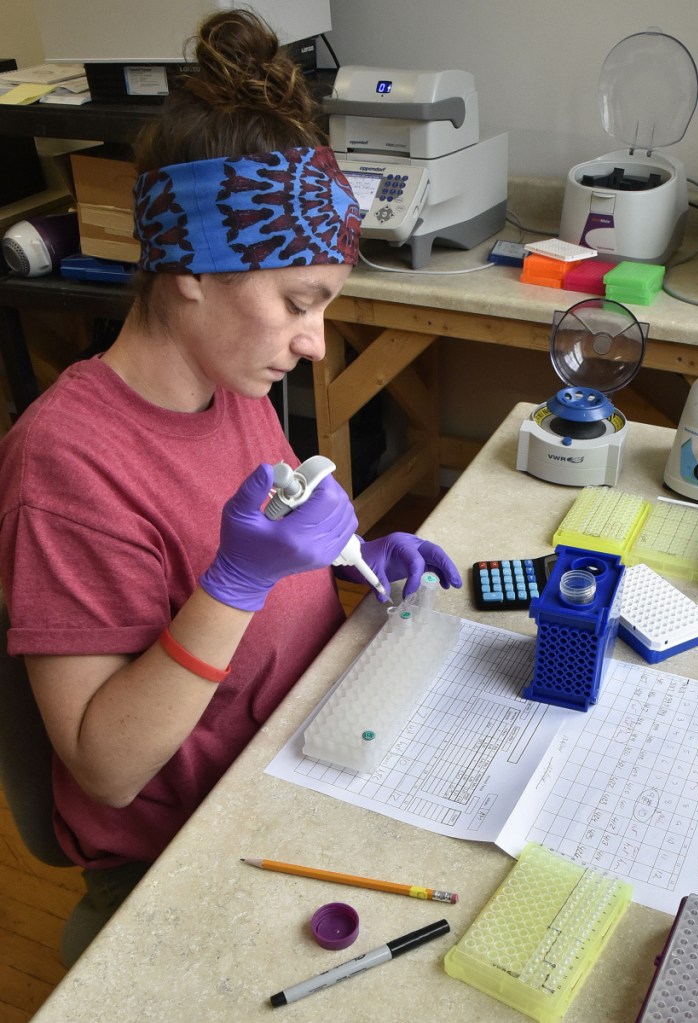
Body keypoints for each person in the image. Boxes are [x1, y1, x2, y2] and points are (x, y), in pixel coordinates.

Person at [0, 9, 460, 963]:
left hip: (294, 752)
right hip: (186, 847)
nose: (314, 341)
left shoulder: (230, 382)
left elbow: (269, 530)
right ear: (191, 273)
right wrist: (235, 584)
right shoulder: (67, 464)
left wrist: (351, 555)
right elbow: (106, 765)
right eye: (299, 303)